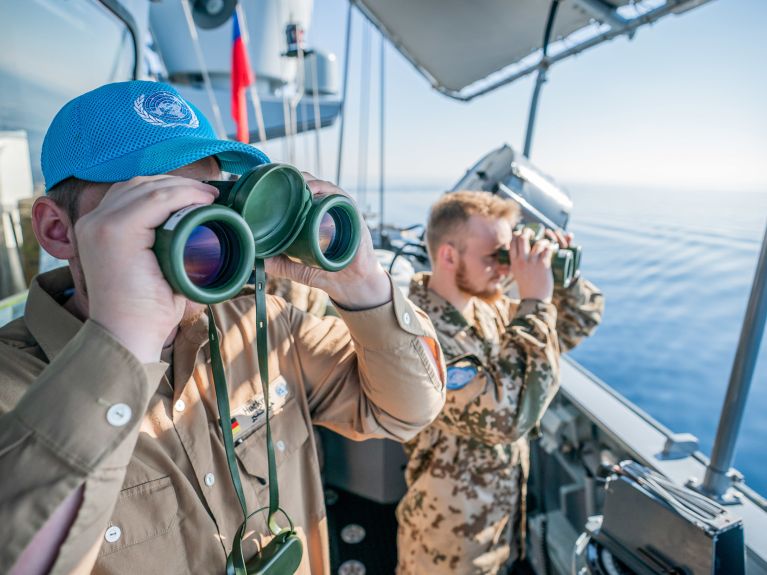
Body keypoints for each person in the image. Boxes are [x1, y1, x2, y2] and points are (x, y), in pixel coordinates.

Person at [0, 81, 446, 575]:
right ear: (57, 230)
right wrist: (124, 340)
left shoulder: (263, 326)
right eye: (159, 206)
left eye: (212, 203)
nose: (204, 231)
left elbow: (407, 411)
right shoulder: (12, 393)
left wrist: (362, 284)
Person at [396, 191, 604, 574]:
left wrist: (562, 278)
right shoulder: (419, 336)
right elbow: (506, 418)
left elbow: (578, 323)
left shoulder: (489, 306)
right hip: (448, 537)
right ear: (448, 255)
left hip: (498, 518)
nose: (506, 268)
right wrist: (536, 301)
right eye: (495, 256)